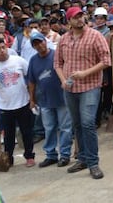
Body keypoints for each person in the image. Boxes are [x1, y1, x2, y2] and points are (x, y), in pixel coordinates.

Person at [54, 7, 110, 179]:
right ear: (69, 21)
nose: (79, 19)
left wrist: (85, 73)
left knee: (87, 123)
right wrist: (63, 80)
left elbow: (106, 61)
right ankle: (83, 158)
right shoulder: (63, 39)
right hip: (70, 89)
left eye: (81, 16)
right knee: (77, 124)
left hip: (90, 86)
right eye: (75, 17)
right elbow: (58, 63)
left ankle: (93, 163)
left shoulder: (95, 36)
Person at [0, 38, 35, 167]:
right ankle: (8, 158)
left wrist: (32, 98)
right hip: (5, 106)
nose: (2, 51)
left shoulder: (18, 60)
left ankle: (29, 156)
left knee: (26, 131)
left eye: (3, 47)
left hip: (23, 102)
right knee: (8, 135)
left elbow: (30, 77)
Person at [28, 32, 72, 168]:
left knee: (65, 128)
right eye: (36, 44)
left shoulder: (56, 55)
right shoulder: (33, 60)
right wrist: (32, 99)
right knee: (49, 128)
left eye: (40, 42)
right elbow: (31, 81)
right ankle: (51, 155)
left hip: (62, 98)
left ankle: (65, 155)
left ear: (45, 41)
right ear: (33, 46)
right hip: (45, 100)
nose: (39, 45)